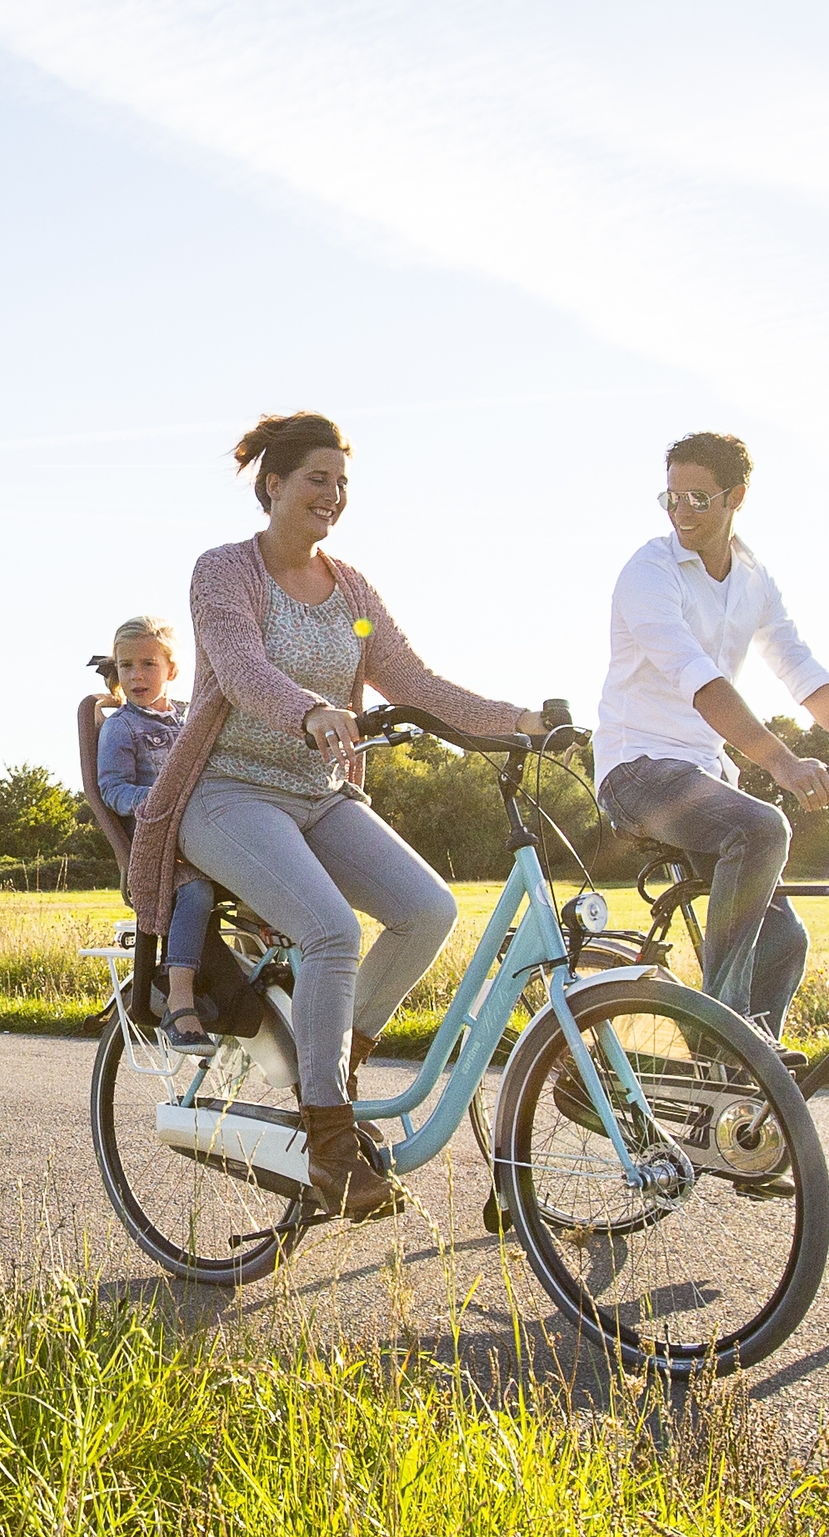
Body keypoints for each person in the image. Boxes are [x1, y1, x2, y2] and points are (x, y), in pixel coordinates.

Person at [119, 411, 548, 1221]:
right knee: (331, 932)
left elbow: (416, 682)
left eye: (343, 483)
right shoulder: (224, 573)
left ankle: (334, 1064)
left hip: (320, 795)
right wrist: (311, 708)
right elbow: (242, 670)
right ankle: (328, 1144)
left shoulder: (351, 591)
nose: (333, 495)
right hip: (228, 793)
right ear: (274, 484)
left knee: (428, 910)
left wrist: (517, 718)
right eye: (318, 478)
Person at [594, 429, 829, 1041]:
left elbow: (800, 668)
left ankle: (737, 1111)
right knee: (760, 826)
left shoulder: (752, 577)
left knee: (783, 938)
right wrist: (780, 761)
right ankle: (727, 1045)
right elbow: (698, 678)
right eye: (671, 498)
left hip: (703, 775)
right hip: (636, 771)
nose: (682, 513)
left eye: (698, 498)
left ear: (736, 497)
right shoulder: (649, 571)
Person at [92, 616, 220, 1044]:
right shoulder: (121, 727)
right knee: (197, 890)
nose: (136, 675)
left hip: (206, 828)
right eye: (126, 666)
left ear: (172, 669)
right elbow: (111, 788)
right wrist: (152, 804)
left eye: (148, 663)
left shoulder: (191, 719)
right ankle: (178, 996)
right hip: (158, 845)